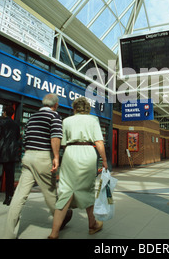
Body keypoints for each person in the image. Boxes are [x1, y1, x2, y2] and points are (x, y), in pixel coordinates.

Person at [4, 94, 71, 238]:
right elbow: (55, 137)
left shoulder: (32, 118)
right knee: (50, 193)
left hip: (28, 157)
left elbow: (26, 138)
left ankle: (8, 234)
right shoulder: (55, 117)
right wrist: (56, 157)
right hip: (44, 157)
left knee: (19, 196)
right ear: (56, 105)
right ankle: (62, 217)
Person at [48, 96, 108, 239]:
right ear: (87, 108)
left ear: (74, 108)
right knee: (87, 188)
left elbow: (62, 143)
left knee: (65, 189)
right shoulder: (93, 120)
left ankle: (54, 232)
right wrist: (104, 160)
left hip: (70, 153)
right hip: (87, 152)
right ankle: (92, 225)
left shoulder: (66, 121)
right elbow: (98, 141)